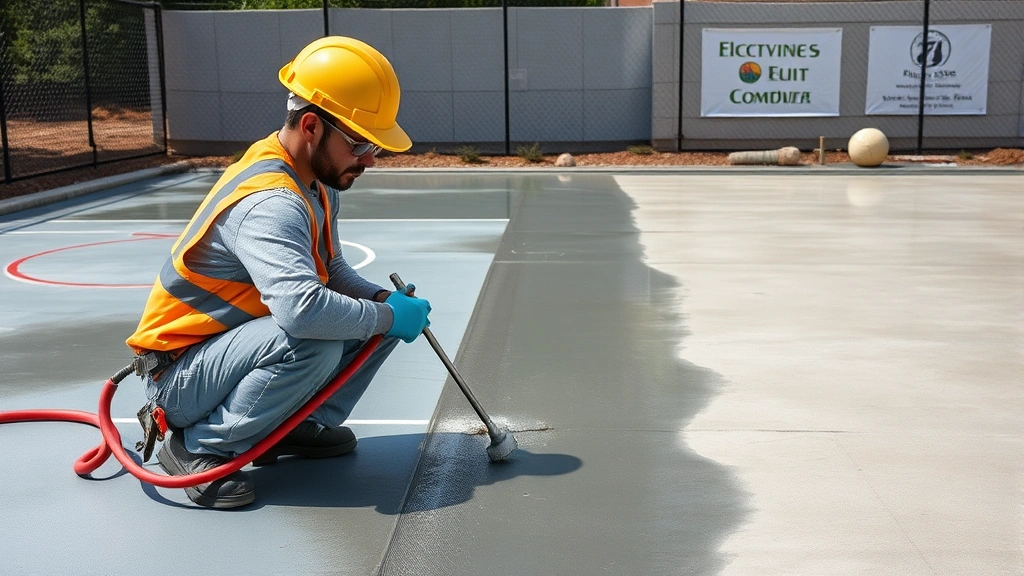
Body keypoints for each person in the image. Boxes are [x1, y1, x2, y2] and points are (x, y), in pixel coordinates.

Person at [125, 36, 431, 509]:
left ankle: (296, 424)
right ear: (311, 125)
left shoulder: (313, 179)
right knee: (318, 336)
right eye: (360, 144)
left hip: (224, 352)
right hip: (178, 377)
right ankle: (198, 447)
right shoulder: (271, 202)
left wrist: (383, 303)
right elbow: (303, 314)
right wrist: (388, 318)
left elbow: (329, 270)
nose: (370, 159)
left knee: (376, 311)